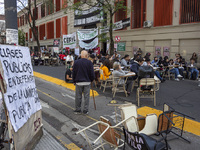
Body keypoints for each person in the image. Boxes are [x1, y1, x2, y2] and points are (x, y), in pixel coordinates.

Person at [73, 50, 95, 115]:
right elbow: (92, 73)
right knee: (86, 97)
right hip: (87, 82)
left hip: (78, 82)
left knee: (78, 96)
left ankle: (78, 109)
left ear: (81, 55)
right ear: (86, 55)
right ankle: (85, 110)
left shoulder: (76, 62)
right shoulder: (89, 63)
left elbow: (74, 72)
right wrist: (91, 79)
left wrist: (74, 81)